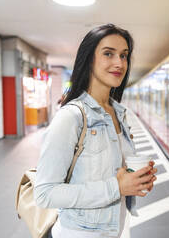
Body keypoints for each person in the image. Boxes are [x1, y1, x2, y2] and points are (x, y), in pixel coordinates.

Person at [34, 24, 158, 238]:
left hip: (115, 230)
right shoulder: (71, 117)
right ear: (89, 58)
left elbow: (115, 173)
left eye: (124, 55)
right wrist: (117, 187)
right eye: (108, 54)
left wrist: (136, 179)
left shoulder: (118, 113)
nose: (119, 63)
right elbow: (45, 194)